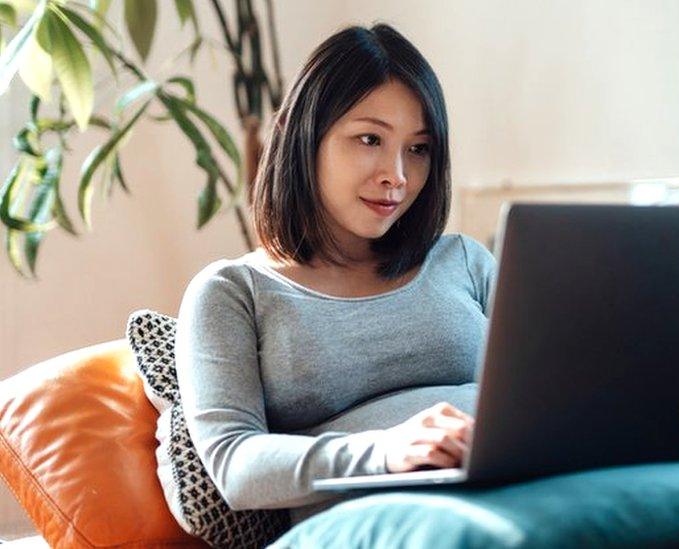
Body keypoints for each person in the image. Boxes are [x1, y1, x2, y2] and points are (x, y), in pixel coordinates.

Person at [174, 23, 496, 526]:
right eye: (370, 139)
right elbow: (234, 466)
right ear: (301, 137)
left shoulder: (464, 261)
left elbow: (551, 389)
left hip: (517, 489)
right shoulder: (234, 292)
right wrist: (387, 451)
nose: (398, 175)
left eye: (418, 148)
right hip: (379, 522)